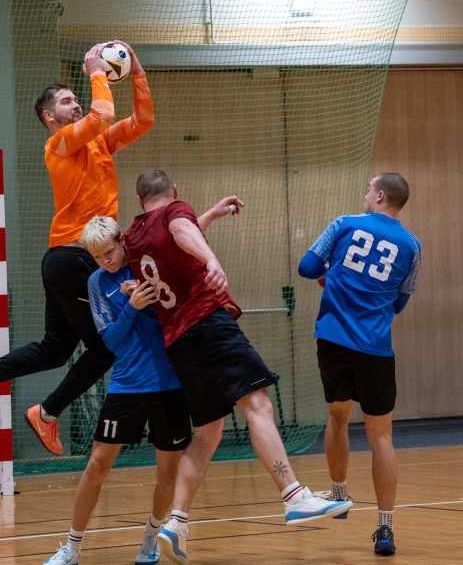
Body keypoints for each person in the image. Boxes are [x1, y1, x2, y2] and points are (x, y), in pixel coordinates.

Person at [123, 169, 351, 565]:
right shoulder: (176, 213)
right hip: (208, 323)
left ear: (140, 198)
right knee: (258, 405)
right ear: (174, 192)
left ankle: (175, 523)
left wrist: (208, 216)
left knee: (208, 431)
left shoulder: (133, 238)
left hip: (177, 341)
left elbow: (175, 237)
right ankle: (294, 497)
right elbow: (180, 230)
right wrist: (210, 256)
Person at [0, 42, 154, 456]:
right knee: (104, 347)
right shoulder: (60, 143)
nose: (75, 104)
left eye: (77, 98)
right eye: (66, 100)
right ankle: (46, 413)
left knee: (56, 349)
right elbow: (105, 114)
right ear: (50, 116)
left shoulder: (97, 143)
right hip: (75, 256)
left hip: (64, 259)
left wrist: (137, 75)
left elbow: (143, 120)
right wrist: (97, 71)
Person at [43, 201, 241, 565]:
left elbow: (178, 263)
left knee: (167, 473)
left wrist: (209, 215)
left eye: (109, 252)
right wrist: (133, 306)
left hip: (170, 384)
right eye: (97, 256)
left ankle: (151, 538)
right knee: (96, 467)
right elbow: (111, 343)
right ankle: (71, 546)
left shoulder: (147, 265)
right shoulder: (97, 283)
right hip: (127, 385)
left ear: (122, 241)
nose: (106, 261)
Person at [297, 172, 421, 556]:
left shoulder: (344, 224)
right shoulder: (412, 245)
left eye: (369, 189)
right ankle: (385, 528)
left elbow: (306, 266)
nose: (365, 194)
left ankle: (339, 495)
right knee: (381, 436)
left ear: (380, 195)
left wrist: (330, 274)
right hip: (375, 348)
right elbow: (399, 302)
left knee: (337, 416)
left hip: (334, 341)